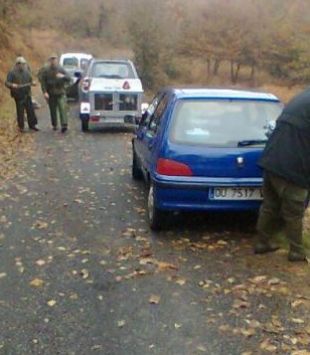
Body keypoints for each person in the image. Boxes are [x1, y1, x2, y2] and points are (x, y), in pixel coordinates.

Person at [254, 87, 310, 262]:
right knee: (294, 211)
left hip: (271, 159)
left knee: (270, 206)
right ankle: (297, 251)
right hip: (293, 166)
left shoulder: (302, 97)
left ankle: (262, 242)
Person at [5, 56, 39, 132]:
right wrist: (12, 85)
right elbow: (7, 83)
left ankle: (32, 125)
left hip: (27, 94)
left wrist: (33, 83)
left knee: (30, 110)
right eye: (22, 64)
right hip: (18, 95)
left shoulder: (27, 71)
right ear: (17, 64)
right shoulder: (12, 72)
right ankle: (21, 127)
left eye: (24, 64)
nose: (23, 65)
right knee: (20, 112)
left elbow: (31, 80)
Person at [39, 54, 71, 133]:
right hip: (51, 93)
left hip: (60, 92)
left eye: (54, 59)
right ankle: (54, 124)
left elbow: (69, 78)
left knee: (62, 108)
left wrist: (62, 76)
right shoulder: (46, 70)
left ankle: (64, 125)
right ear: (49, 61)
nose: (53, 61)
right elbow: (43, 82)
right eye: (52, 59)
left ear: (57, 60)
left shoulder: (61, 69)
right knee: (53, 110)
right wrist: (45, 92)